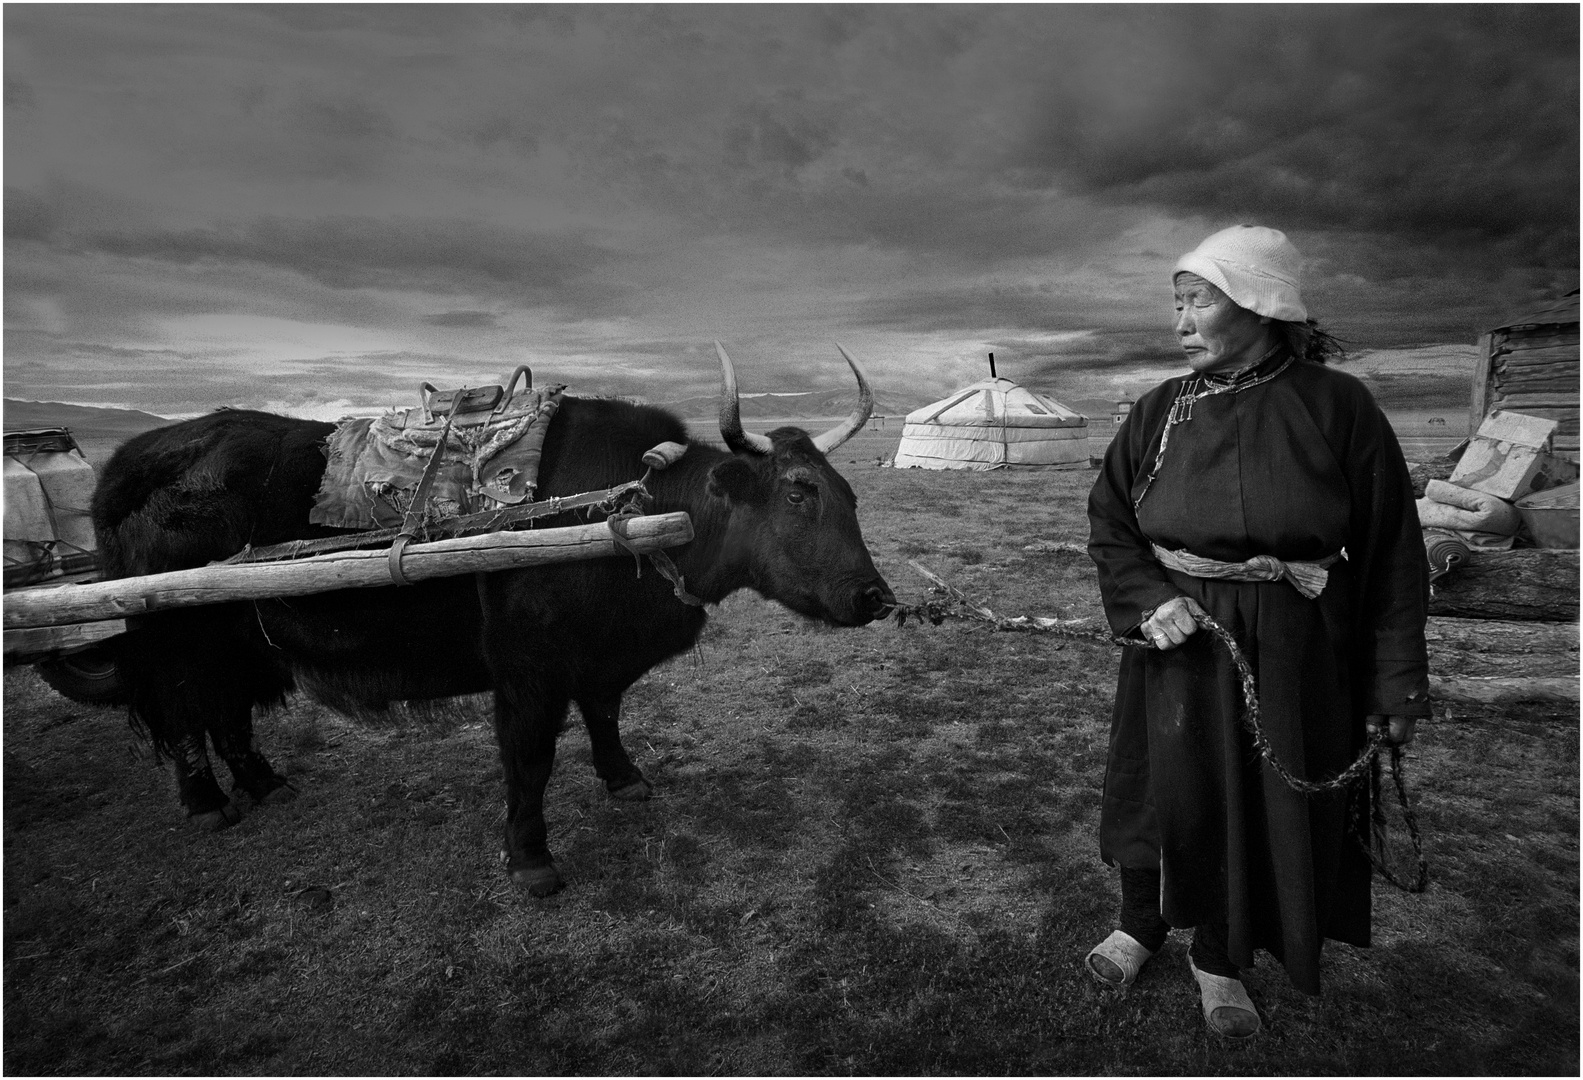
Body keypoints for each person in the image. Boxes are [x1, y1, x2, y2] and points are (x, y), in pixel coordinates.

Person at [1083, 225, 1430, 1039]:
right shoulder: (1158, 410)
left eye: (1193, 301)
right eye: (1175, 304)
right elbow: (1110, 520)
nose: (1177, 323)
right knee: (1156, 791)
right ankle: (1139, 922)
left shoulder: (1336, 408)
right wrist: (1143, 599)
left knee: (1247, 804)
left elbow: (1390, 553)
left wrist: (1394, 682)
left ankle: (1218, 956)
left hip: (1292, 651)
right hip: (1174, 644)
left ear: (1257, 303)